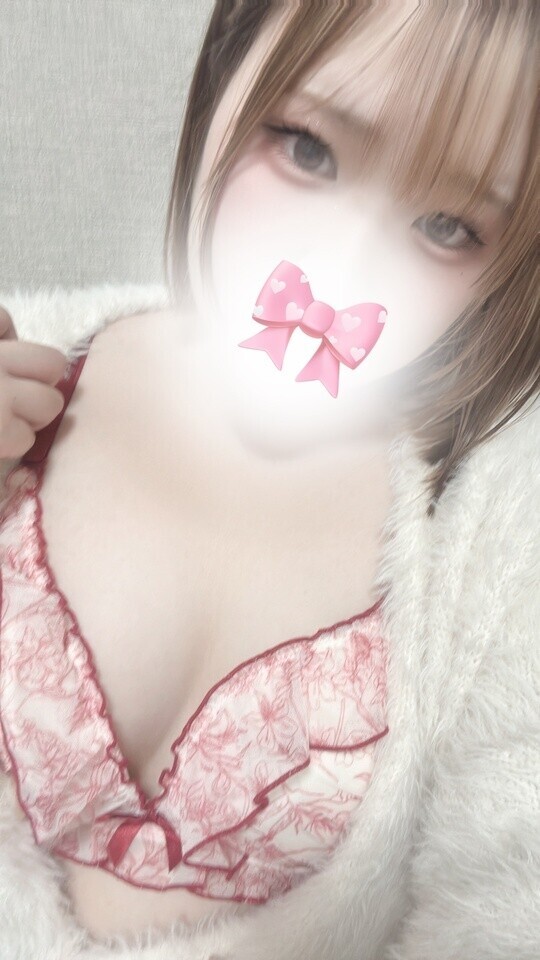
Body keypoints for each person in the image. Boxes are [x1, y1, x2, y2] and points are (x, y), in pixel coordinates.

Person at [0, 1, 538, 958]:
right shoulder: (24, 365)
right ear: (227, 63)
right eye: (307, 149)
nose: (340, 269)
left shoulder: (500, 545)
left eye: (448, 226)